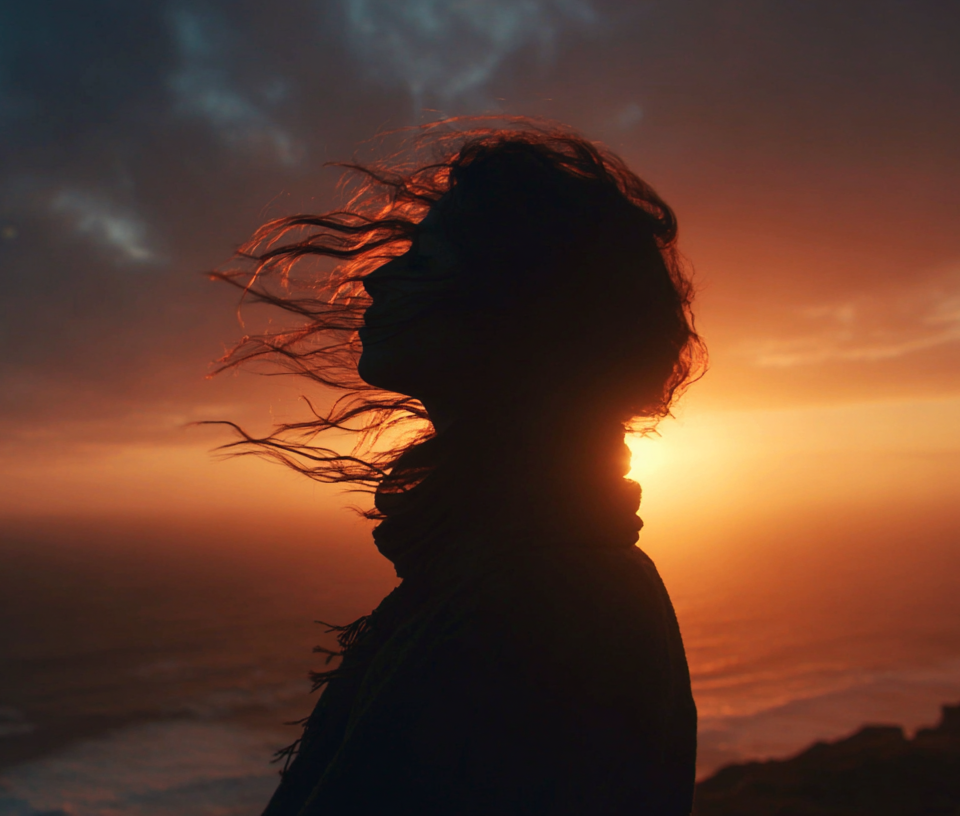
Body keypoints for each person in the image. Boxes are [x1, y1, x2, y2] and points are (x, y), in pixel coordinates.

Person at [211, 119, 703, 815]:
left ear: (522, 319)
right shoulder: (529, 565)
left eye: (424, 263)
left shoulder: (537, 605)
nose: (377, 277)